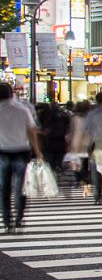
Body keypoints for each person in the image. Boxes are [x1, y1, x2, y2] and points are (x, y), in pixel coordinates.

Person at [0, 82, 42, 235]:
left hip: (2, 152)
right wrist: (37, 151)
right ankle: (19, 217)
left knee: (4, 188)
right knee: (20, 187)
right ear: (11, 93)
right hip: (21, 151)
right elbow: (32, 131)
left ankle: (6, 221)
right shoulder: (22, 110)